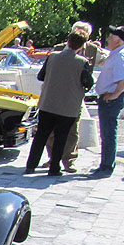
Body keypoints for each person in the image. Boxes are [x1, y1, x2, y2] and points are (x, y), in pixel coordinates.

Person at [25, 32, 93, 177]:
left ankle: (31, 165)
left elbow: (40, 76)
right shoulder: (82, 62)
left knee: (41, 136)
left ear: (67, 41)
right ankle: (54, 168)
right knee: (61, 137)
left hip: (48, 104)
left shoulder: (52, 57)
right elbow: (88, 82)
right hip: (68, 107)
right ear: (81, 46)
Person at [45, 21, 108, 172]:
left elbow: (107, 60)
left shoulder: (92, 50)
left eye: (84, 32)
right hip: (56, 94)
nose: (81, 34)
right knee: (51, 131)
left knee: (73, 130)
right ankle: (53, 158)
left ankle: (69, 160)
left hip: (75, 96)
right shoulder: (59, 49)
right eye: (78, 31)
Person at [92, 26, 124, 176]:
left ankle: (106, 167)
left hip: (110, 98)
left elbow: (122, 79)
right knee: (107, 132)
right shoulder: (116, 54)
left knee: (108, 132)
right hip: (109, 97)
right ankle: (105, 164)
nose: (108, 39)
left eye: (110, 36)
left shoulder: (120, 55)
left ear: (118, 39)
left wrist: (115, 95)